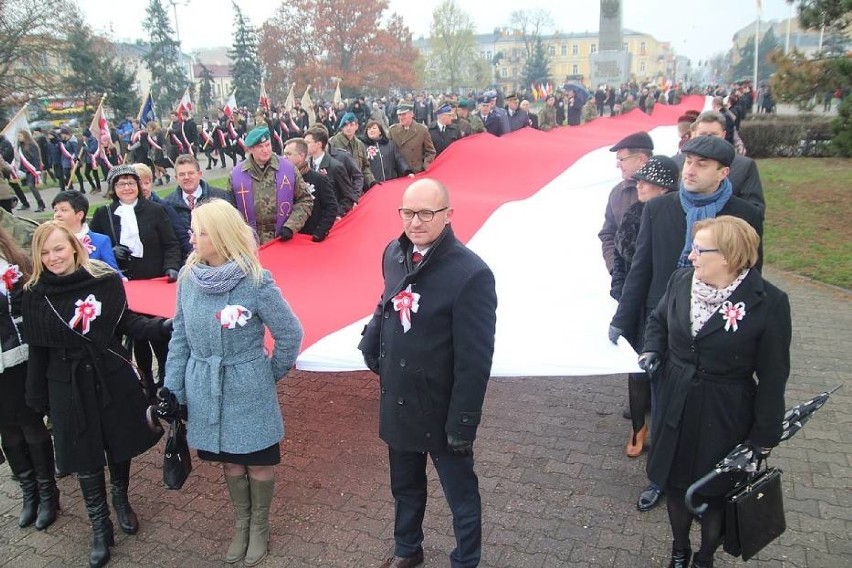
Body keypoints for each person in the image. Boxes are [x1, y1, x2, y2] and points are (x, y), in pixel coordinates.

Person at [609, 136, 764, 514]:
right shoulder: (659, 208)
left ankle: (708, 482)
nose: (690, 170)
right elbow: (641, 267)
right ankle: (659, 478)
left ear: (724, 172)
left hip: (717, 329)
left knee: (709, 413)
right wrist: (622, 320)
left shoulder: (744, 212)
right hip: (664, 325)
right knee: (663, 408)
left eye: (702, 164)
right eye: (689, 161)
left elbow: (752, 274)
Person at [358, 179, 497, 568]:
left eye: (426, 213)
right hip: (400, 394)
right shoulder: (393, 253)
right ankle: (408, 548)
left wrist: (464, 421)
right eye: (407, 213)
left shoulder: (471, 274)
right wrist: (371, 339)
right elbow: (386, 300)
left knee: (460, 492)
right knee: (404, 484)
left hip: (441, 402)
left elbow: (475, 360)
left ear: (448, 215)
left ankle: (466, 559)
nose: (415, 222)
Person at [641, 216, 790, 568]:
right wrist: (653, 349)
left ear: (727, 256)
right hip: (675, 401)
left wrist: (764, 435)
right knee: (676, 486)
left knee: (715, 493)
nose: (691, 256)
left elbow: (773, 375)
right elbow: (658, 320)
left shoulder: (768, 302)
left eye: (698, 249)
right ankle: (679, 550)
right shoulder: (681, 280)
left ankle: (705, 557)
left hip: (725, 411)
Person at [22, 221, 171, 568]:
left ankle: (121, 498)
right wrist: (37, 398)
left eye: (58, 248)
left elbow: (126, 324)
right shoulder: (35, 294)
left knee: (118, 442)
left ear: (74, 247)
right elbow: (38, 351)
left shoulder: (103, 282)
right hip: (66, 382)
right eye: (44, 252)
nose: (52, 257)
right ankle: (100, 527)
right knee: (84, 452)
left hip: (109, 372)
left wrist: (163, 326)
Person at [164, 198, 303, 566]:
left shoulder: (254, 280)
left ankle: (259, 526)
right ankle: (242, 523)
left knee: (257, 461)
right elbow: (179, 335)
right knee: (229, 463)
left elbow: (290, 333)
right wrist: (172, 387)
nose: (193, 238)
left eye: (202, 231)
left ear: (223, 235)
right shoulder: (188, 278)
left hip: (248, 388)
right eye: (193, 230)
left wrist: (266, 374)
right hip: (205, 388)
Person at [608, 156, 679, 460]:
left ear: (664, 188)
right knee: (635, 371)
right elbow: (626, 264)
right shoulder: (633, 213)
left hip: (665, 305)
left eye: (647, 181)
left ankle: (665, 430)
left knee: (666, 373)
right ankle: (638, 429)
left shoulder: (677, 217)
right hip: (636, 304)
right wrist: (620, 296)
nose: (639, 184)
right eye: (639, 179)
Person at [0, 226, 60, 532]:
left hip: (18, 359)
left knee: (29, 422)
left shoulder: (14, 261)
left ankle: (48, 494)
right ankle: (29, 493)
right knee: (7, 429)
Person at [229, 126, 314, 245]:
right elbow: (229, 209)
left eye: (267, 145)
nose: (265, 150)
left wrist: (291, 226)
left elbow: (305, 199)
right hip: (249, 241)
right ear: (250, 149)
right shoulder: (236, 175)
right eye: (260, 147)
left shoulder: (288, 169)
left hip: (282, 237)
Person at [599, 131, 654, 275]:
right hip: (627, 280)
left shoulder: (666, 190)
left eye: (622, 159)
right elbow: (608, 234)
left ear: (641, 159)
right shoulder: (618, 193)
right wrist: (615, 270)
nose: (618, 165)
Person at [283, 138, 338, 242]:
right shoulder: (281, 179)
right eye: (284, 153)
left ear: (301, 156)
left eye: (289, 154)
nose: (284, 157)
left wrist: (320, 232)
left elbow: (331, 207)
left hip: (309, 237)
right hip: (286, 236)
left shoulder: (318, 179)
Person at [51, 190, 119, 271]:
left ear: (80, 215)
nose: (57, 215)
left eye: (63, 210)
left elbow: (114, 272)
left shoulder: (100, 241)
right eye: (55, 210)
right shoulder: (49, 241)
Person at [388, 103, 436, 173]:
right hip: (399, 172)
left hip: (416, 171)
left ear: (412, 115)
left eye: (404, 114)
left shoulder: (422, 130)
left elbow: (430, 152)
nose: (401, 118)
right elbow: (389, 151)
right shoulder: (392, 131)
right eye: (399, 115)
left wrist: (426, 166)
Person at [15, 130, 47, 212]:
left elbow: (36, 157)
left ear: (25, 136)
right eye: (18, 136)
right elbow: (22, 160)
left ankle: (41, 204)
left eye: (20, 136)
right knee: (30, 186)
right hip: (27, 169)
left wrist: (37, 169)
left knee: (31, 186)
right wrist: (21, 169)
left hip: (33, 168)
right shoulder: (21, 146)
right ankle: (40, 203)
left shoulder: (32, 145)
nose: (19, 138)